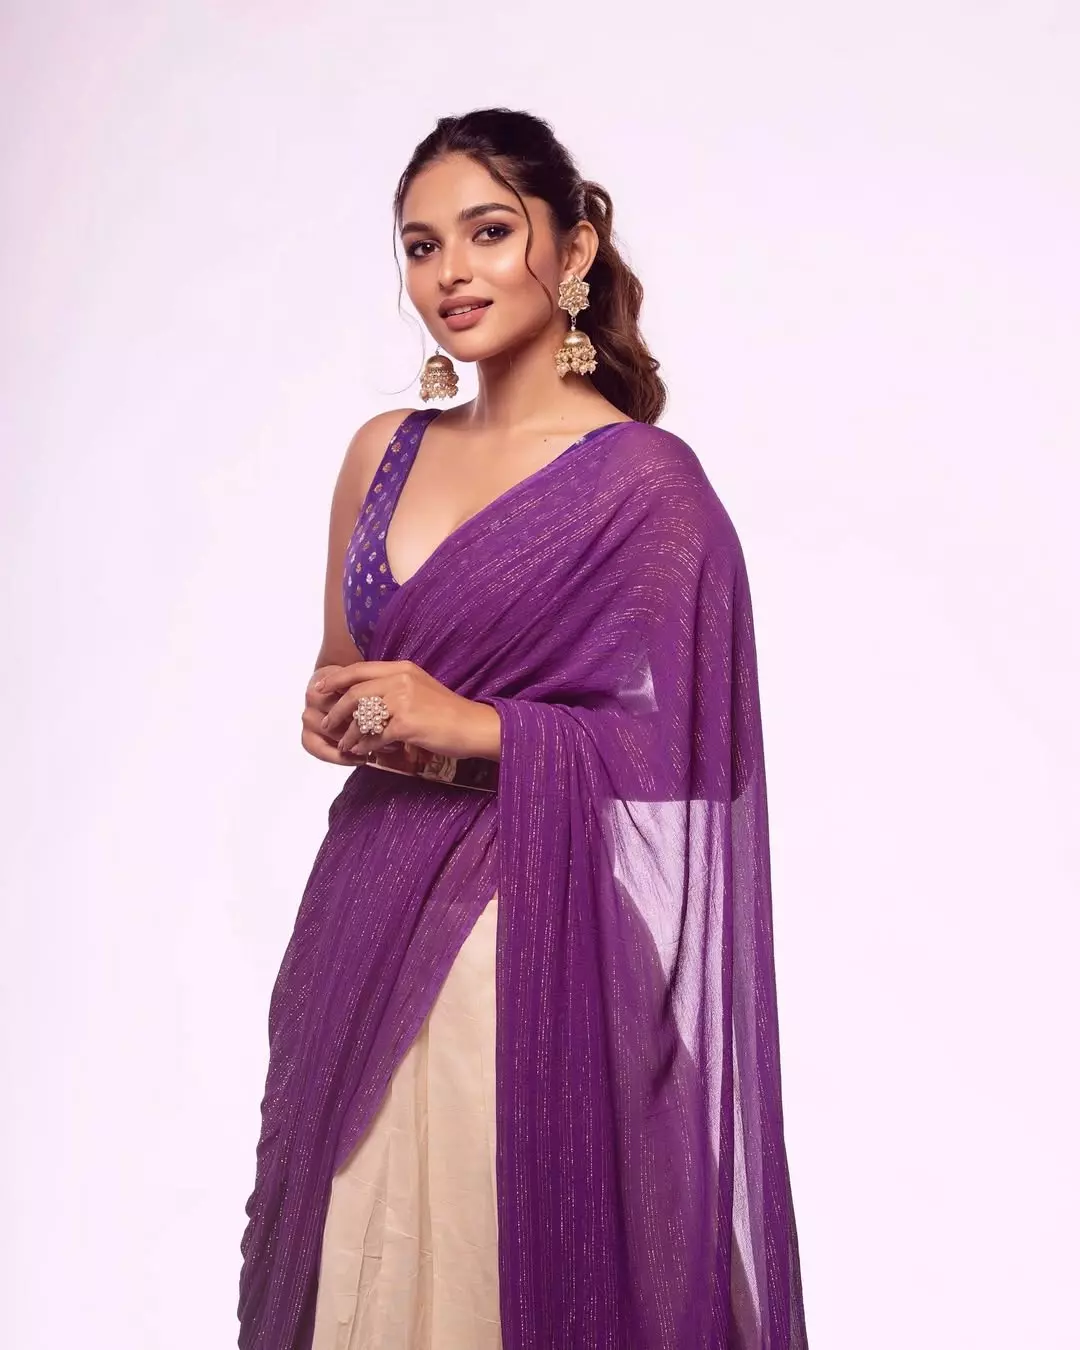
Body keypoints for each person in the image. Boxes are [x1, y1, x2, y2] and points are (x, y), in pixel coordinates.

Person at [238, 107, 809, 1350]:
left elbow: (697, 760)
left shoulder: (646, 484)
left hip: (524, 936)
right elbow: (350, 672)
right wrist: (342, 712)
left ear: (574, 246)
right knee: (349, 1254)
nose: (451, 272)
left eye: (489, 232)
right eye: (421, 245)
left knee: (486, 1265)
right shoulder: (381, 452)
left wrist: (478, 726)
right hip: (360, 909)